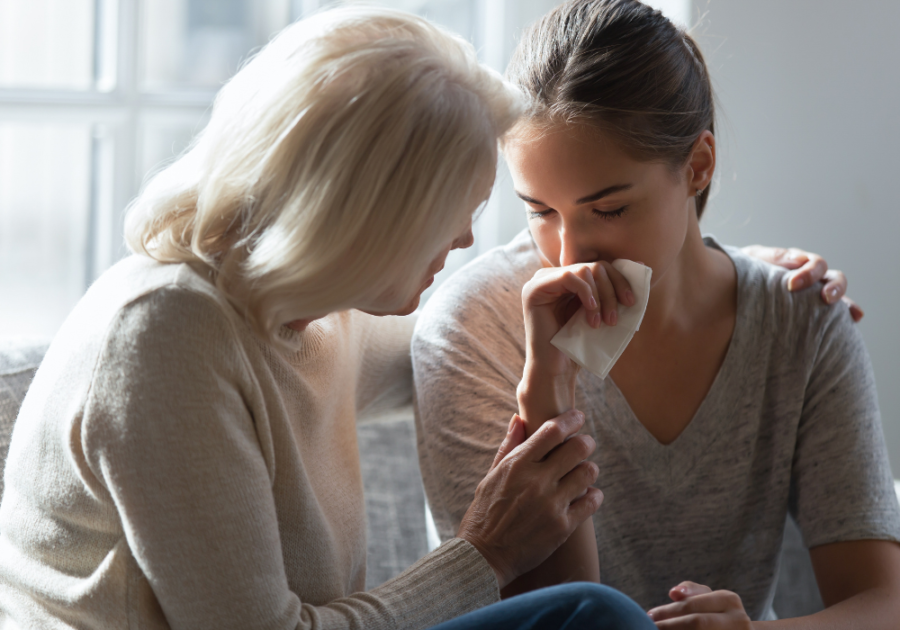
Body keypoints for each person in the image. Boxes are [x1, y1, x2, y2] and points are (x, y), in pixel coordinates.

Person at [0, 7, 661, 630]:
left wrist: (739, 266)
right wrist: (485, 553)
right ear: (362, 216)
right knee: (595, 617)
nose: (464, 241)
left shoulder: (312, 316)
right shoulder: (166, 336)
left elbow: (453, 333)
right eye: (454, 213)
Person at [412, 0, 900, 627]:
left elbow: (883, 603)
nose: (569, 254)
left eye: (609, 210)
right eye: (540, 211)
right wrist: (548, 393)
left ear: (698, 166)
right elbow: (555, 616)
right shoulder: (476, 326)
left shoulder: (802, 319)